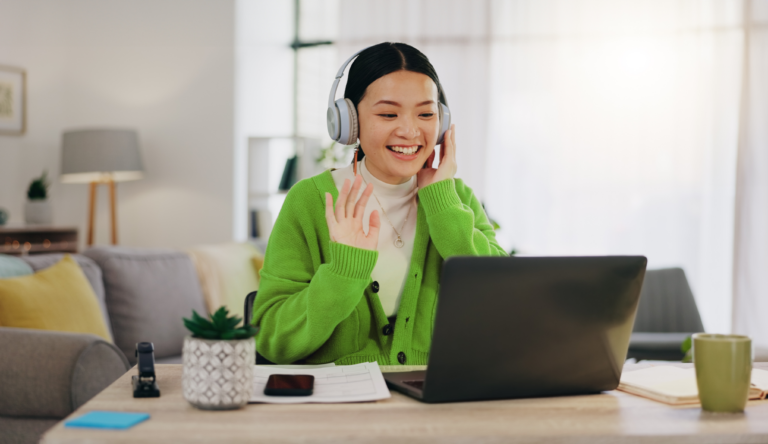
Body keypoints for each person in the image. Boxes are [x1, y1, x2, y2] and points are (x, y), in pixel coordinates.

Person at [252, 42, 507, 365]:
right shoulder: (310, 201)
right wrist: (344, 270)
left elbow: (502, 300)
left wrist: (442, 204)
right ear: (349, 122)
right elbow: (274, 341)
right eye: (388, 114)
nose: (410, 130)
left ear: (441, 122)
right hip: (339, 403)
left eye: (426, 113)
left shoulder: (455, 199)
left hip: (437, 396)